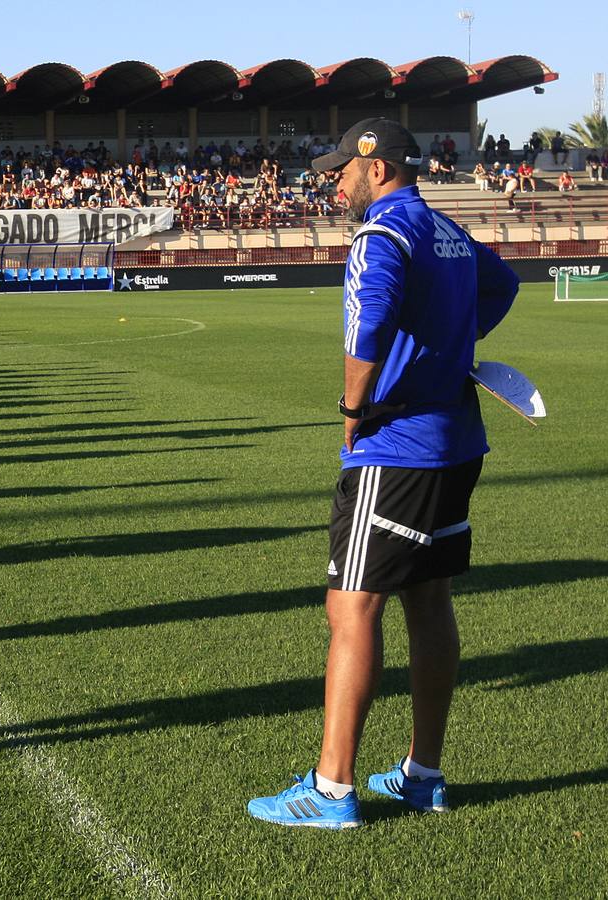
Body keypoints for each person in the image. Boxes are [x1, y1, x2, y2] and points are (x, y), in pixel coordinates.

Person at [247, 118, 519, 829]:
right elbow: (502, 285)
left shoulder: (380, 233)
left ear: (379, 166)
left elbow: (367, 324)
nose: (335, 180)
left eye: (342, 168)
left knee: (352, 608)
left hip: (394, 445)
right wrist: (449, 342)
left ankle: (331, 790)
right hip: (455, 440)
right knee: (428, 602)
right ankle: (421, 776)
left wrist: (349, 406)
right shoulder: (447, 232)